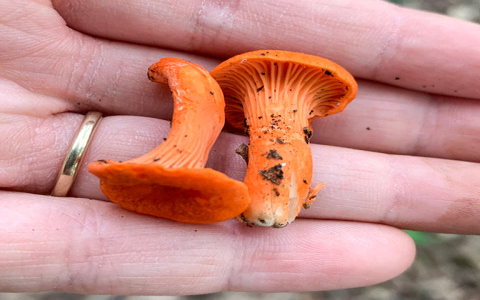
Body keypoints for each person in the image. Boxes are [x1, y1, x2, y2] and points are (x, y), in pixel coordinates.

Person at [1, 0, 479, 295]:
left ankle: (275, 200)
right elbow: (191, 87)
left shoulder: (205, 88)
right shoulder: (198, 86)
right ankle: (269, 202)